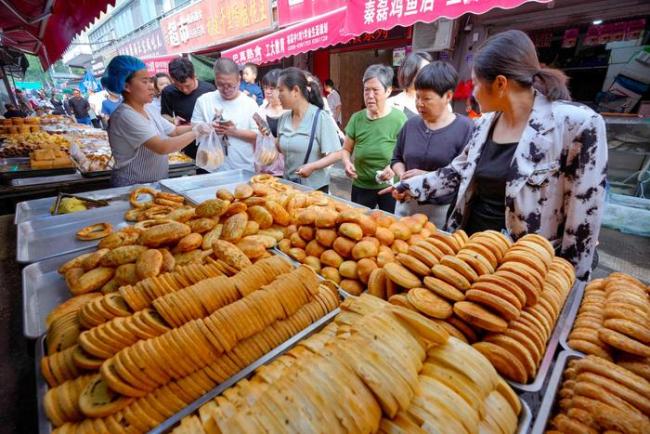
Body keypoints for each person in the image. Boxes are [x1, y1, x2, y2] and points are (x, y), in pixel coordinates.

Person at [381, 30, 607, 280]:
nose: (472, 92)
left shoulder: (576, 125)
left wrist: (570, 284)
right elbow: (457, 173)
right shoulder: (484, 124)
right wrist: (410, 186)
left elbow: (583, 217)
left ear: (500, 83)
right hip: (471, 252)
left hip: (525, 269)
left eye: (476, 83)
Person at [383, 62, 474, 228]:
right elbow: (396, 158)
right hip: (405, 205)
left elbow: (465, 176)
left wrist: (425, 177)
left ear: (448, 96)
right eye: (417, 96)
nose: (419, 103)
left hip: (440, 212)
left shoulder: (466, 128)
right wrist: (403, 176)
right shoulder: (410, 125)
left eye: (426, 98)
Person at [102, 55, 212, 187]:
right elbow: (162, 146)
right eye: (145, 82)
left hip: (155, 182)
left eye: (150, 81)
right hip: (132, 185)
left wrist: (200, 125)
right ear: (126, 86)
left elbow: (175, 131)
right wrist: (196, 132)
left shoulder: (148, 108)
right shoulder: (125, 116)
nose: (151, 87)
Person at [342, 64, 407, 212]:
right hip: (361, 186)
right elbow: (346, 149)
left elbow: (405, 152)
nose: (370, 96)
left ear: (388, 91)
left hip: (390, 188)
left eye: (375, 90)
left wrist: (392, 168)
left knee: (390, 229)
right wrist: (346, 163)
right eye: (366, 90)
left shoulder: (399, 119)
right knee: (359, 226)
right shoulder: (356, 119)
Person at [276, 67, 342, 191]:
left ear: (295, 90)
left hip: (314, 190)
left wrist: (312, 166)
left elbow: (337, 154)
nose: (278, 95)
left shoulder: (320, 118)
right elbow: (282, 148)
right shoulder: (283, 118)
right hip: (289, 187)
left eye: (281, 91)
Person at [192, 58, 259, 172]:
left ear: (239, 79)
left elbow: (259, 137)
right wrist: (205, 128)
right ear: (215, 80)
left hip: (243, 169)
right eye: (220, 85)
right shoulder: (203, 101)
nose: (226, 89)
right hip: (210, 170)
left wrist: (233, 132)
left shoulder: (250, 104)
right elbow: (193, 130)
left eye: (230, 85)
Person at [161, 57, 215, 159]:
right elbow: (164, 115)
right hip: (186, 144)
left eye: (188, 85)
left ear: (194, 75)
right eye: (179, 87)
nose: (184, 90)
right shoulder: (168, 92)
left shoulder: (209, 89)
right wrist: (172, 120)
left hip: (209, 143)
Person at [388, 52, 433, 118]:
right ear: (409, 72)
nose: (427, 75)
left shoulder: (439, 103)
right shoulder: (391, 104)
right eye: (423, 71)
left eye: (430, 71)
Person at [258, 69, 287, 138]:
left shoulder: (291, 109)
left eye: (271, 88)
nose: (267, 92)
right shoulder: (262, 109)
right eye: (265, 88)